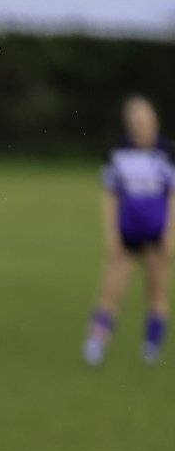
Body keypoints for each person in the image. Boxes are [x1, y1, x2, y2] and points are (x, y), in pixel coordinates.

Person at [82, 95, 175, 366]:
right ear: (127, 122)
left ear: (153, 120)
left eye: (143, 118)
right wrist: (111, 235)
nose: (139, 123)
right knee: (110, 291)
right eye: (134, 119)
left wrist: (170, 234)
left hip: (156, 234)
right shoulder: (117, 152)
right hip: (126, 235)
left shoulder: (167, 152)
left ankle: (151, 344)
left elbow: (172, 196)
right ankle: (96, 341)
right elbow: (109, 196)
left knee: (156, 292)